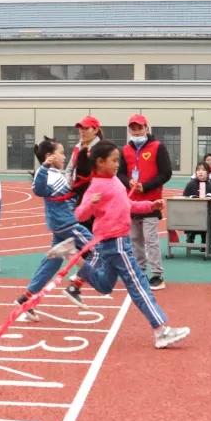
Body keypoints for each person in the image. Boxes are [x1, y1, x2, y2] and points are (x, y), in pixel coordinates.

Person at [66, 139, 190, 349]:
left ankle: (76, 260)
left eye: (118, 160)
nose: (117, 165)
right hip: (115, 243)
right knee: (139, 285)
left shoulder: (115, 182)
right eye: (113, 160)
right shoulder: (96, 186)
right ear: (99, 162)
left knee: (105, 285)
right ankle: (161, 330)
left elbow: (128, 205)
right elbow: (79, 214)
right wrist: (90, 203)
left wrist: (150, 205)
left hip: (113, 243)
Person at [13, 137, 96, 321]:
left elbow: (70, 194)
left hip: (62, 226)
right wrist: (43, 167)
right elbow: (38, 189)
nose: (64, 156)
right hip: (67, 225)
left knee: (51, 264)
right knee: (98, 248)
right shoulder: (46, 174)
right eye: (61, 153)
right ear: (49, 156)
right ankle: (75, 285)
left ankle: (25, 299)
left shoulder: (57, 174)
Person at [118, 114, 172, 290]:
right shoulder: (125, 150)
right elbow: (120, 174)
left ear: (146, 128)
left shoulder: (158, 147)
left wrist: (146, 186)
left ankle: (157, 274)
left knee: (151, 239)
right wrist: (129, 183)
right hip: (132, 202)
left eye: (139, 128)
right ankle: (140, 270)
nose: (136, 131)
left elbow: (166, 173)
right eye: (133, 128)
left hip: (151, 200)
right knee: (135, 239)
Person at [65, 115, 103, 231]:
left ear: (95, 130)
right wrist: (69, 184)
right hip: (78, 193)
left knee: (92, 227)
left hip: (94, 195)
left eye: (86, 128)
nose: (82, 131)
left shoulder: (101, 148)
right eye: (81, 128)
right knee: (79, 225)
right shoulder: (78, 147)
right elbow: (69, 168)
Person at [183, 161, 211, 247]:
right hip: (192, 215)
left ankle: (205, 241)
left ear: (208, 173)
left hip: (208, 216)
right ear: (195, 172)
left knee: (210, 219)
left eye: (203, 170)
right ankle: (191, 235)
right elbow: (184, 199)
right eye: (198, 169)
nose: (200, 172)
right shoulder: (190, 185)